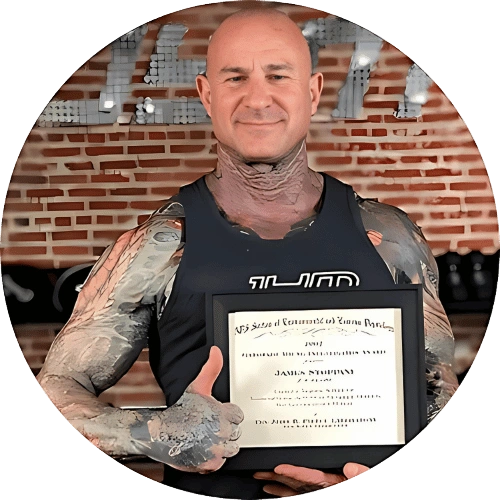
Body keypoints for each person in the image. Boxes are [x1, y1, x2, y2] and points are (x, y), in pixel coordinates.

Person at [36, 7, 459, 498]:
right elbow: (58, 387)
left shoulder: (390, 235)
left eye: (278, 75)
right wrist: (153, 434)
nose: (258, 98)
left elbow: (437, 385)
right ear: (206, 96)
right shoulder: (157, 248)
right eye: (236, 78)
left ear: (313, 91)